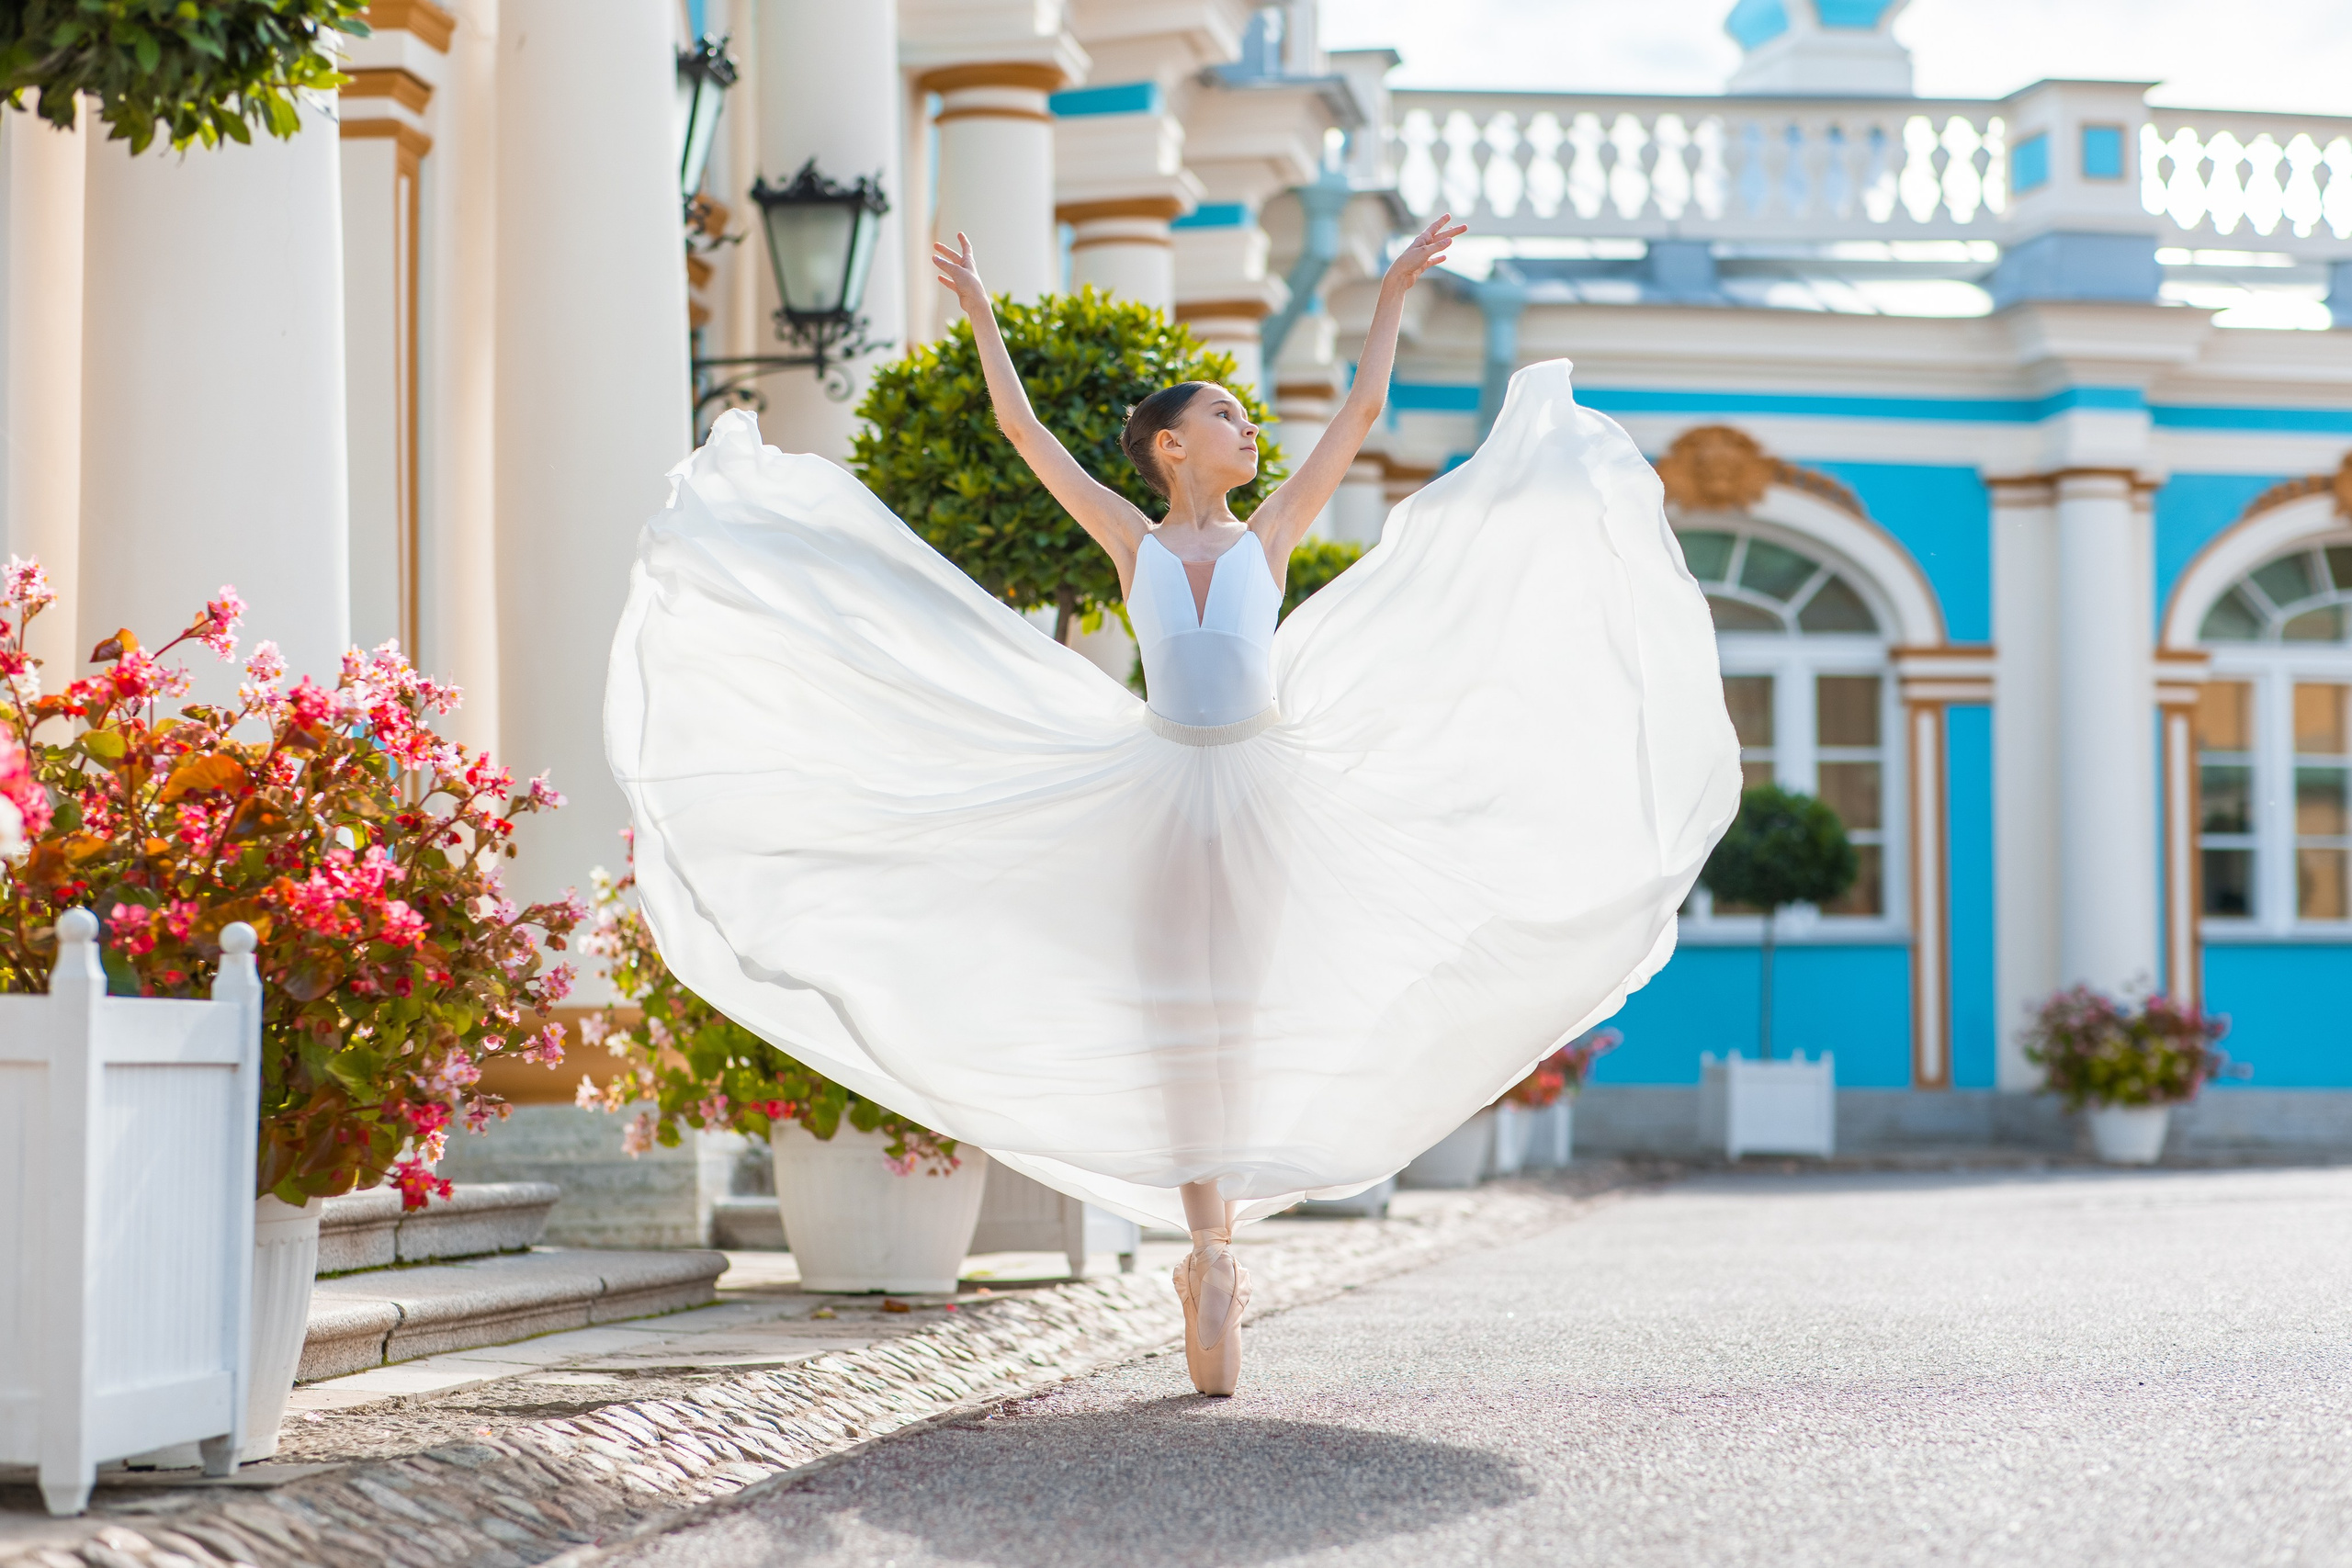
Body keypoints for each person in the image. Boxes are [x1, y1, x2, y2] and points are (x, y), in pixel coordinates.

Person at [606, 217, 1740, 1398]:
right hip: (1155, 792)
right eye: (1225, 417)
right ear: (1166, 446)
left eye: (1248, 420)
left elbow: (1356, 418)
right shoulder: (1130, 537)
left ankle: (1218, 1249)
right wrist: (981, 311)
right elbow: (1022, 433)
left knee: (1240, 1015)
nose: (1247, 428)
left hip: (1262, 794)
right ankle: (1208, 1255)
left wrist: (1394, 288)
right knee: (1176, 1024)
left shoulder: (1273, 533)